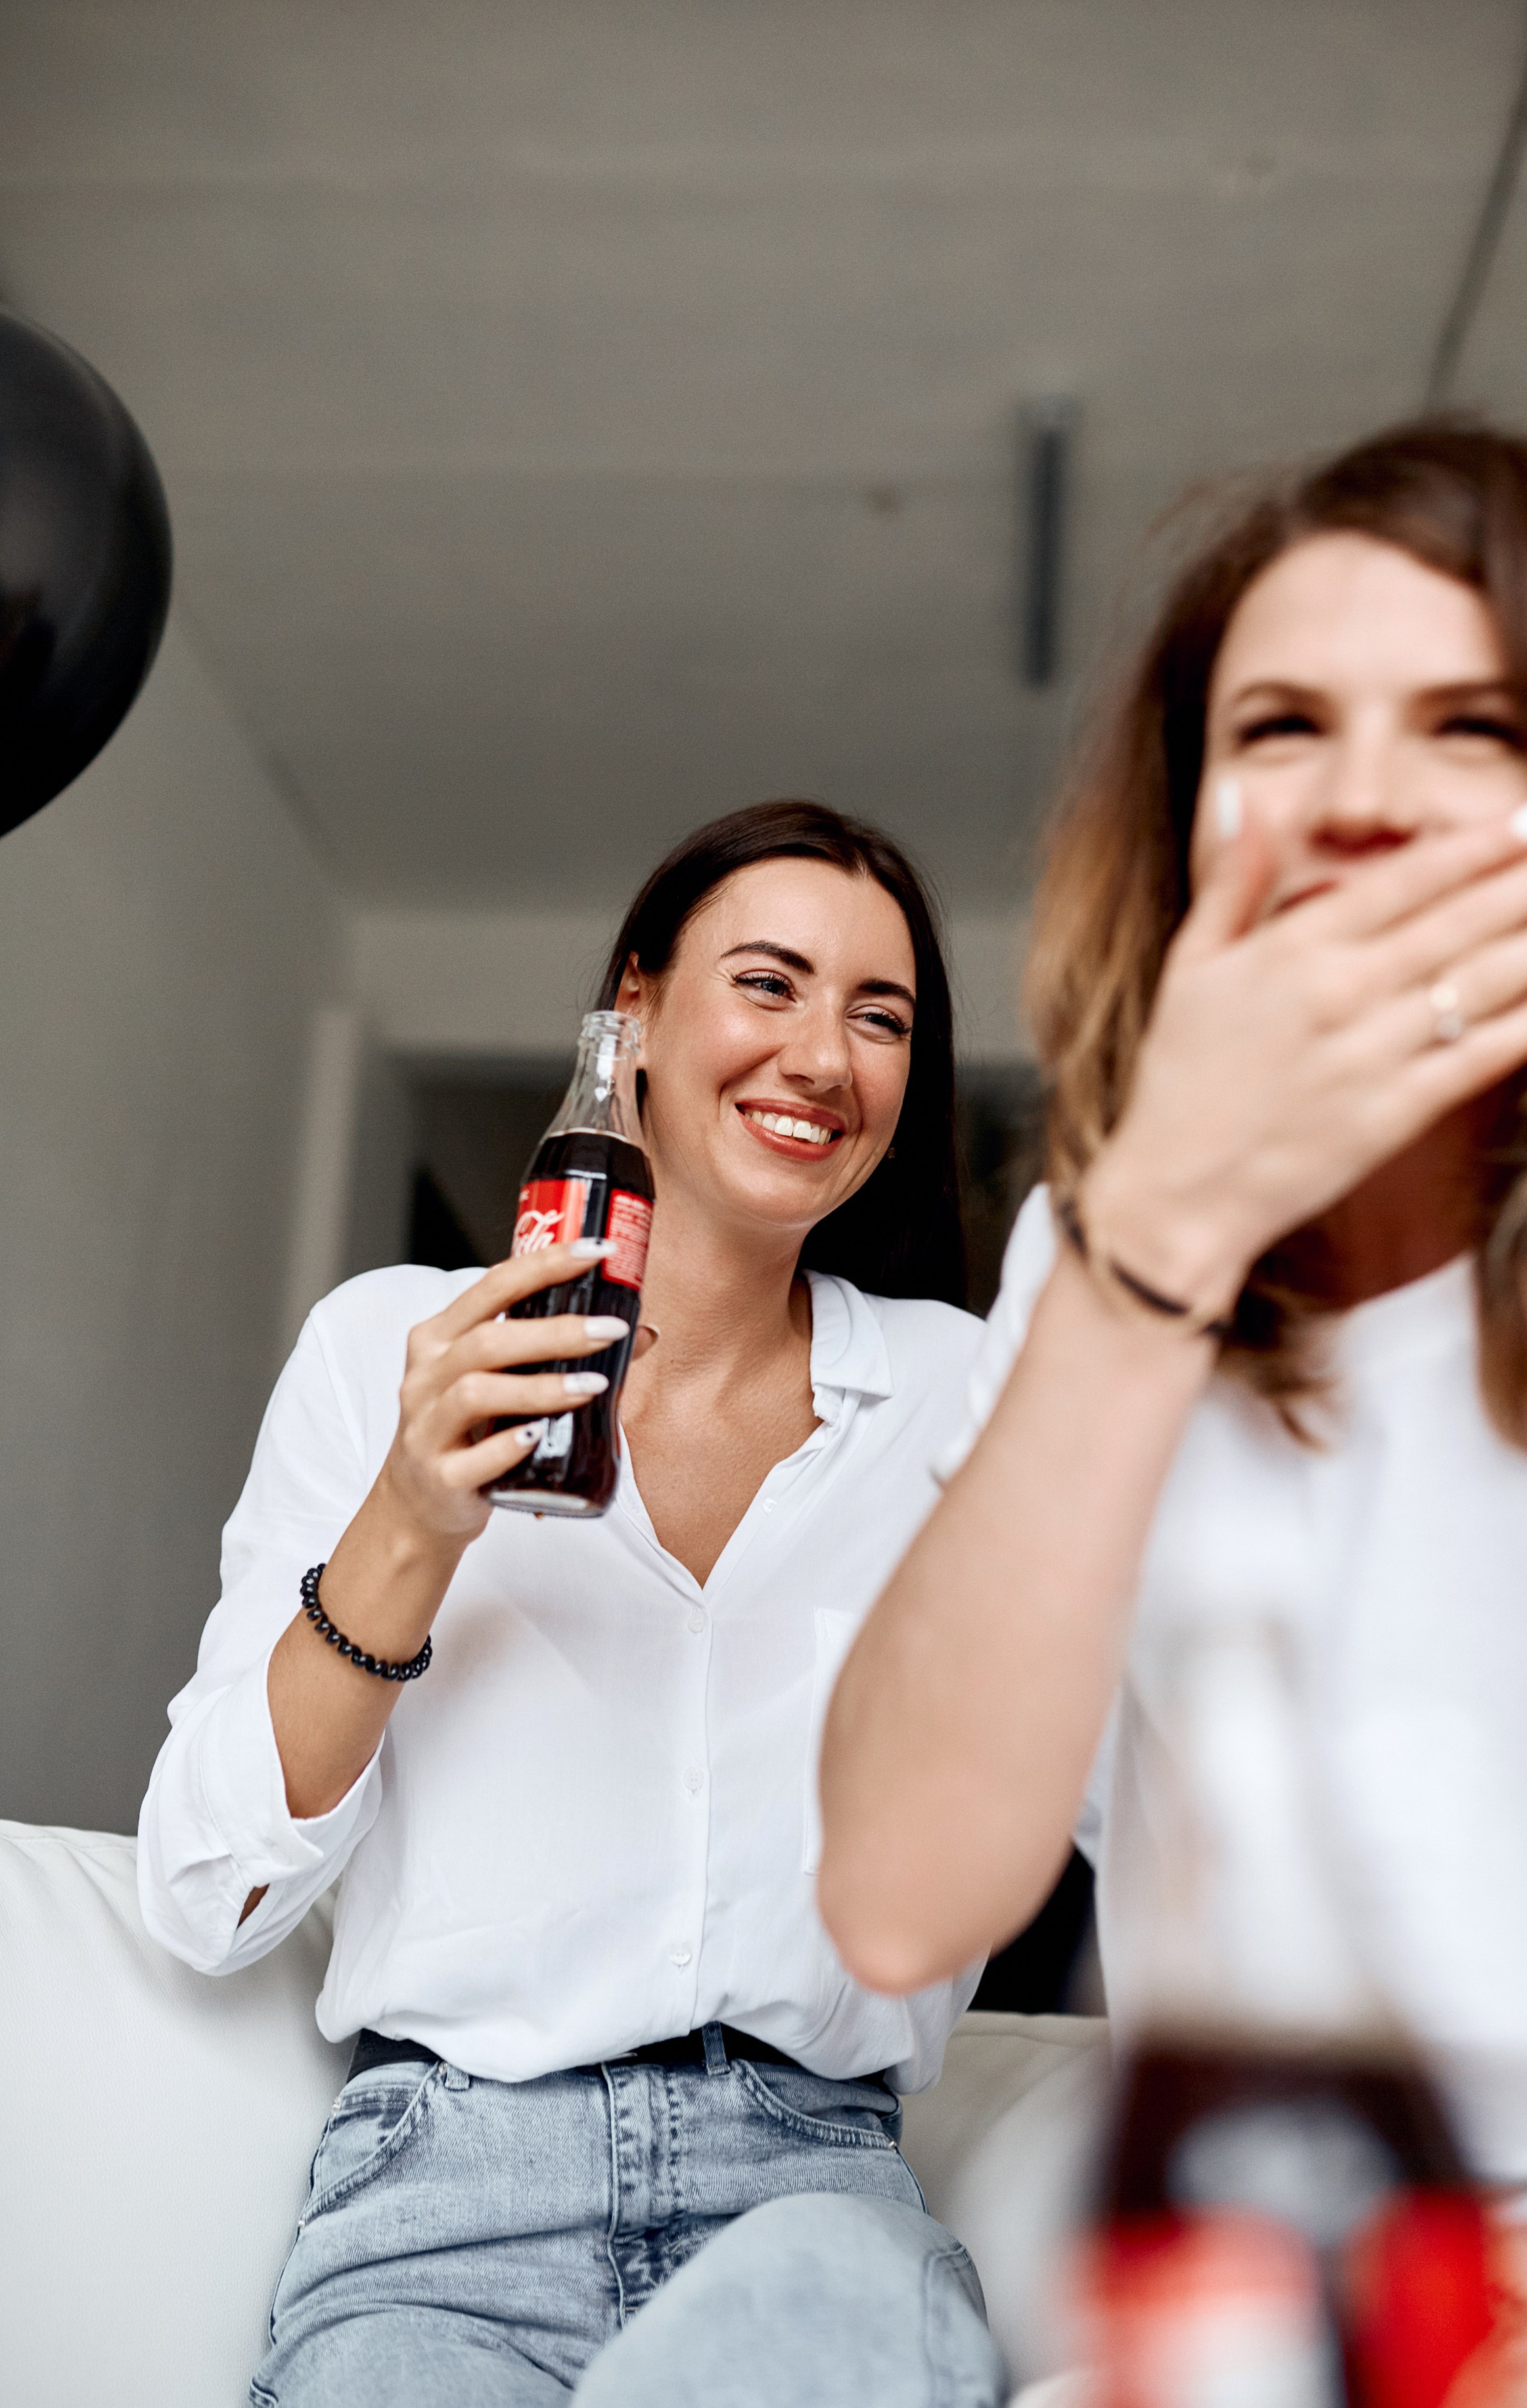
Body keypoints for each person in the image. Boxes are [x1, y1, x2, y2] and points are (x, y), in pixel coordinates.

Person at [819, 423, 1527, 2405]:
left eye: (1473, 725)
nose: (1358, 802)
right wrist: (1158, 1239)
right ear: (1190, 823)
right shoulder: (1094, 1251)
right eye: (1281, 729)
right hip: (1246, 2269)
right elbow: (899, 1896)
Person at [138, 800, 1003, 2408]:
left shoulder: (961, 1399)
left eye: (879, 1017)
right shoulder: (389, 1348)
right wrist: (410, 1521)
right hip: (441, 2207)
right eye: (768, 983)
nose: (822, 1055)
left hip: (810, 2207)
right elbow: (207, 1893)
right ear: (636, 1018)